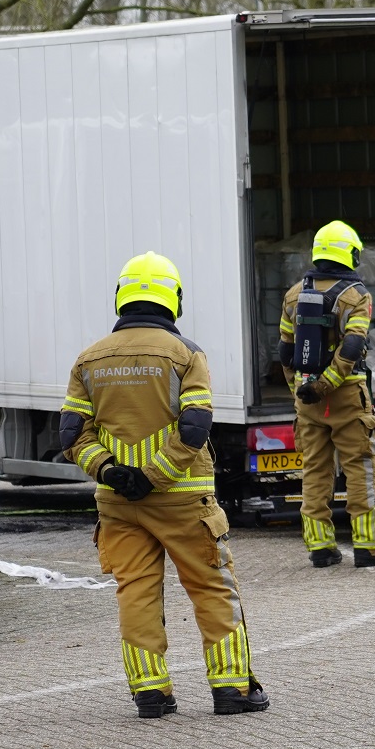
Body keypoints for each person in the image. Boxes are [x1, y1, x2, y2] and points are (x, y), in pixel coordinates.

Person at [62, 252, 268, 719]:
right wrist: (154, 476)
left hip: (118, 505)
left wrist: (111, 472)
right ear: (174, 299)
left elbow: (72, 435)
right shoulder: (185, 355)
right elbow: (195, 427)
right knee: (212, 589)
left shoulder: (89, 359)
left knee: (136, 593)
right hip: (182, 501)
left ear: (121, 297)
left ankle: (151, 694)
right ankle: (233, 689)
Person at [279, 220, 375, 568]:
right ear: (351, 255)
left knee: (315, 471)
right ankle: (368, 547)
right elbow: (353, 345)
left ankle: (320, 547)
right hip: (346, 395)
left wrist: (301, 390)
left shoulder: (293, 294)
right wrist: (328, 384)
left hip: (308, 400)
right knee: (360, 469)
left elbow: (285, 351)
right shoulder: (356, 296)